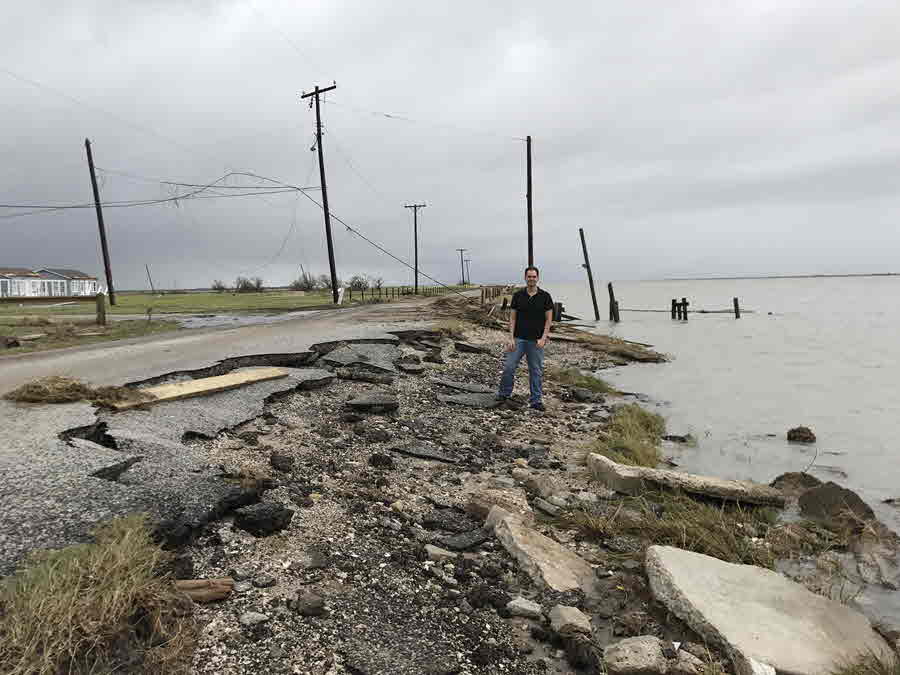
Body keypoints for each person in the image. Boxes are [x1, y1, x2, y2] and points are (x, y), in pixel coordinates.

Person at [496, 266, 554, 411]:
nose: (531, 279)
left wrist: (543, 338)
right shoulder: (518, 295)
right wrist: (510, 338)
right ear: (525, 277)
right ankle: (504, 394)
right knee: (509, 367)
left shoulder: (545, 296)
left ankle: (536, 401)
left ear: (538, 278)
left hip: (536, 341)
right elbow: (512, 318)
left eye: (534, 277)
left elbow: (548, 320)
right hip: (518, 339)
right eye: (529, 276)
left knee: (536, 370)